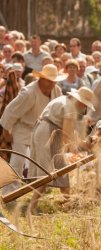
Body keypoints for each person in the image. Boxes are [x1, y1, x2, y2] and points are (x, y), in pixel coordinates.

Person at [27, 87, 95, 214]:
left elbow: (68, 131)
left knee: (61, 167)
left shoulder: (65, 101)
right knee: (45, 171)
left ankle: (67, 204)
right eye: (84, 104)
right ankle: (32, 207)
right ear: (80, 101)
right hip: (47, 133)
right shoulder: (70, 107)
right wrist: (76, 152)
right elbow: (66, 135)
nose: (83, 107)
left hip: (48, 131)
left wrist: (84, 144)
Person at [0, 64, 64, 195]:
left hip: (42, 130)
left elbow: (59, 110)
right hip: (22, 128)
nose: (52, 84)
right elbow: (10, 111)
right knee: (17, 161)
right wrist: (6, 131)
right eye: (49, 80)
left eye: (54, 81)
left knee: (40, 161)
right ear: (42, 79)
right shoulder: (28, 93)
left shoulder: (56, 91)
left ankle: (36, 189)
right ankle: (7, 193)